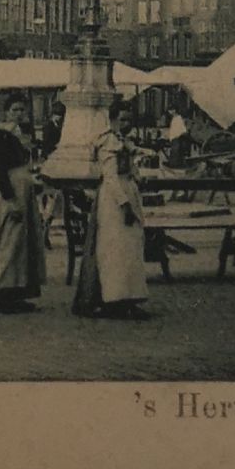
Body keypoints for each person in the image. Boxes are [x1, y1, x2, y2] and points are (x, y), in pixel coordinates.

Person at [73, 101, 149, 319]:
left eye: (129, 120)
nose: (126, 124)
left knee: (131, 246)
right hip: (114, 199)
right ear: (113, 119)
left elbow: (129, 167)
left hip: (127, 191)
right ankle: (115, 298)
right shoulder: (108, 141)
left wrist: (137, 176)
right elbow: (111, 176)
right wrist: (124, 204)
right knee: (116, 248)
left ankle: (129, 297)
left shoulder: (122, 141)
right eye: (122, 119)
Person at [0, 96, 46, 313]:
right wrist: (10, 200)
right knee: (5, 241)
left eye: (23, 109)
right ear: (6, 112)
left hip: (22, 191)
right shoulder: (0, 134)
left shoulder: (21, 134)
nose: (19, 113)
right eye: (15, 109)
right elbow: (0, 171)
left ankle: (16, 292)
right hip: (7, 194)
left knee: (20, 244)